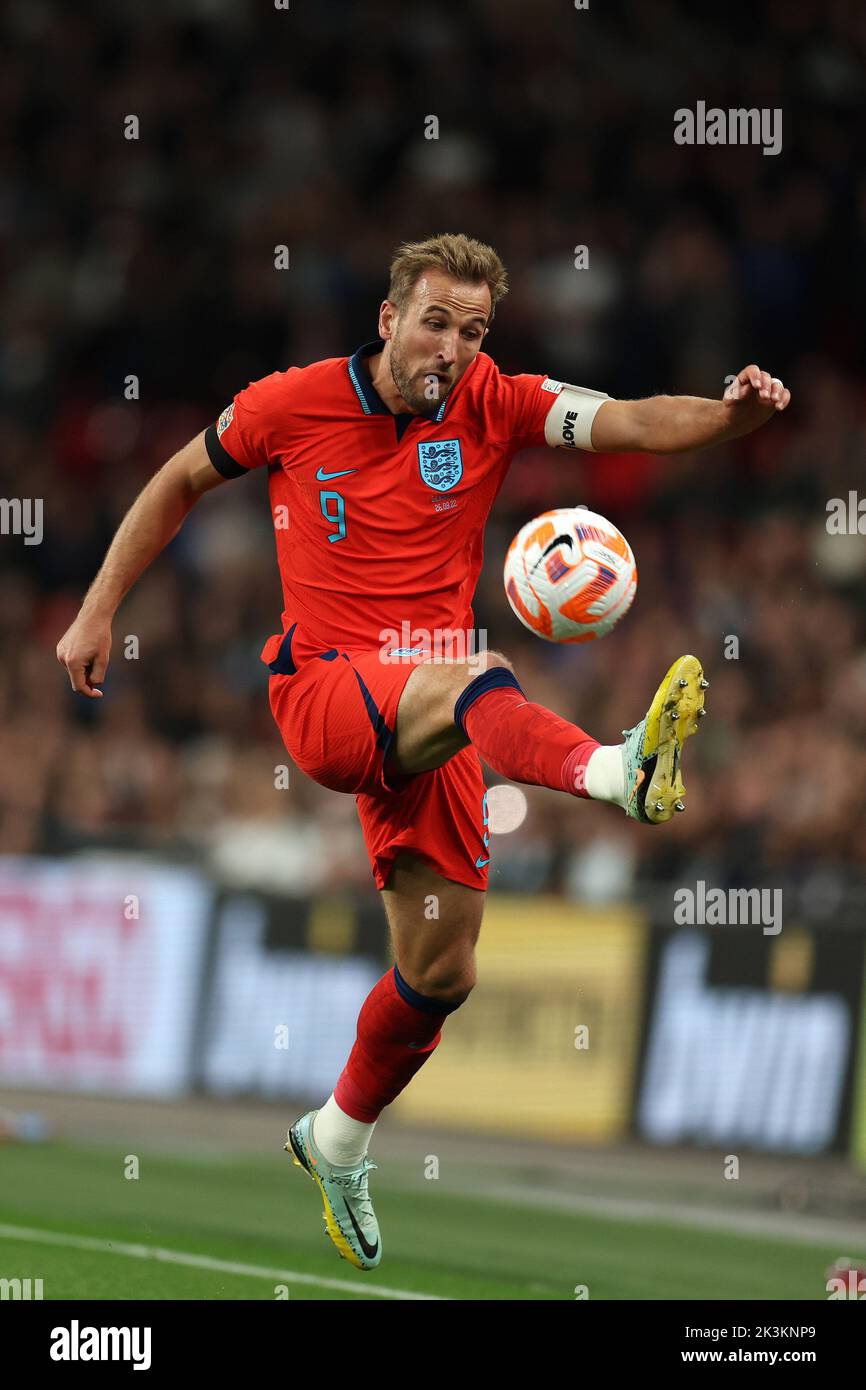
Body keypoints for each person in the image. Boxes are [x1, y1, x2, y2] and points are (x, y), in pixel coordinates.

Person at [56, 232, 791, 1271]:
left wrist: (726, 418)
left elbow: (623, 417)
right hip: (322, 693)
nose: (452, 348)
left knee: (440, 971)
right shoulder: (289, 403)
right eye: (437, 322)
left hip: (431, 719)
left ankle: (337, 1136)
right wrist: (96, 613)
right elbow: (178, 478)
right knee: (473, 675)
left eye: (473, 330)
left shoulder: (490, 398)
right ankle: (613, 771)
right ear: (390, 318)